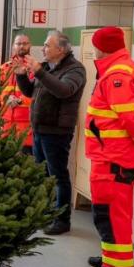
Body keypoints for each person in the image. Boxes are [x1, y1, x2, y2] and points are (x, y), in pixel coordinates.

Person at [84, 27, 134, 267]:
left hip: (114, 158)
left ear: (102, 48)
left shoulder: (116, 74)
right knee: (112, 212)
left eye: (95, 45)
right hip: (116, 156)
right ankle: (111, 258)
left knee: (110, 213)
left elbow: (129, 117)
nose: (93, 50)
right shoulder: (128, 68)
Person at [15, 30, 86, 235]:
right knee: (43, 174)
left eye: (47, 45)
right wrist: (21, 76)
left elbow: (64, 90)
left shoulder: (75, 69)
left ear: (61, 49)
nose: (43, 48)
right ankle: (45, 213)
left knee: (58, 176)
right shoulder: (47, 67)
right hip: (39, 129)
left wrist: (38, 71)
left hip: (56, 132)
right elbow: (31, 92)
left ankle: (62, 220)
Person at [0, 34, 34, 154]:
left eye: (25, 43)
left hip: (26, 126)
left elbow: (37, 93)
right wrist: (6, 98)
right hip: (6, 124)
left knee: (26, 164)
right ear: (13, 46)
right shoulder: (4, 68)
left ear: (30, 46)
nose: (22, 46)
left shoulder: (35, 68)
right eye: (18, 43)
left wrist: (20, 100)